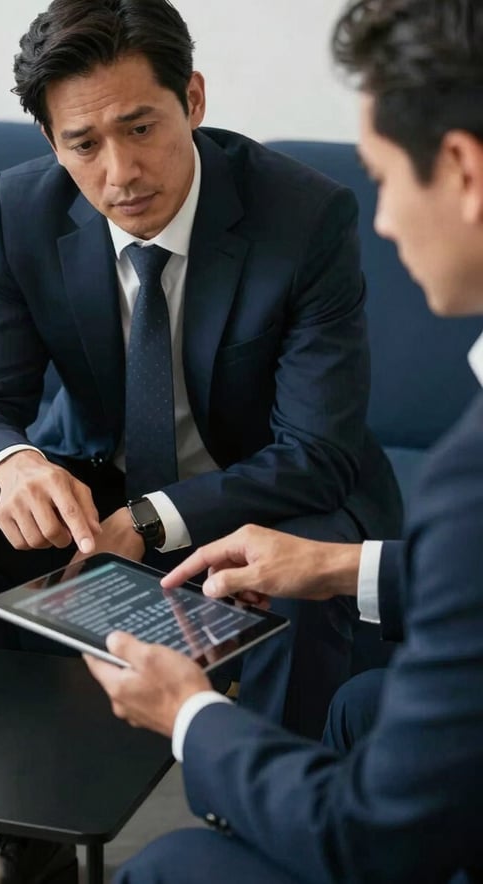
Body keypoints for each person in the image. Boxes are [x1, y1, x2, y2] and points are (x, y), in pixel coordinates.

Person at [0, 0, 401, 745]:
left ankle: (259, 823)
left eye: (140, 127)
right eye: (84, 143)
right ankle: (11, 797)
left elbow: (316, 457)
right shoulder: (23, 208)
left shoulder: (304, 217)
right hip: (101, 490)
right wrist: (15, 464)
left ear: (192, 99)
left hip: (269, 495)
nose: (120, 173)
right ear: (49, 140)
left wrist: (150, 519)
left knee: (302, 573)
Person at [85, 1, 483, 881]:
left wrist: (189, 713)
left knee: (167, 867)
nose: (383, 222)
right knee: (355, 713)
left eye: (387, 179)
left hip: (393, 829)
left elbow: (369, 835)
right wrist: (341, 569)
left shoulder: (470, 471)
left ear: (461, 170)